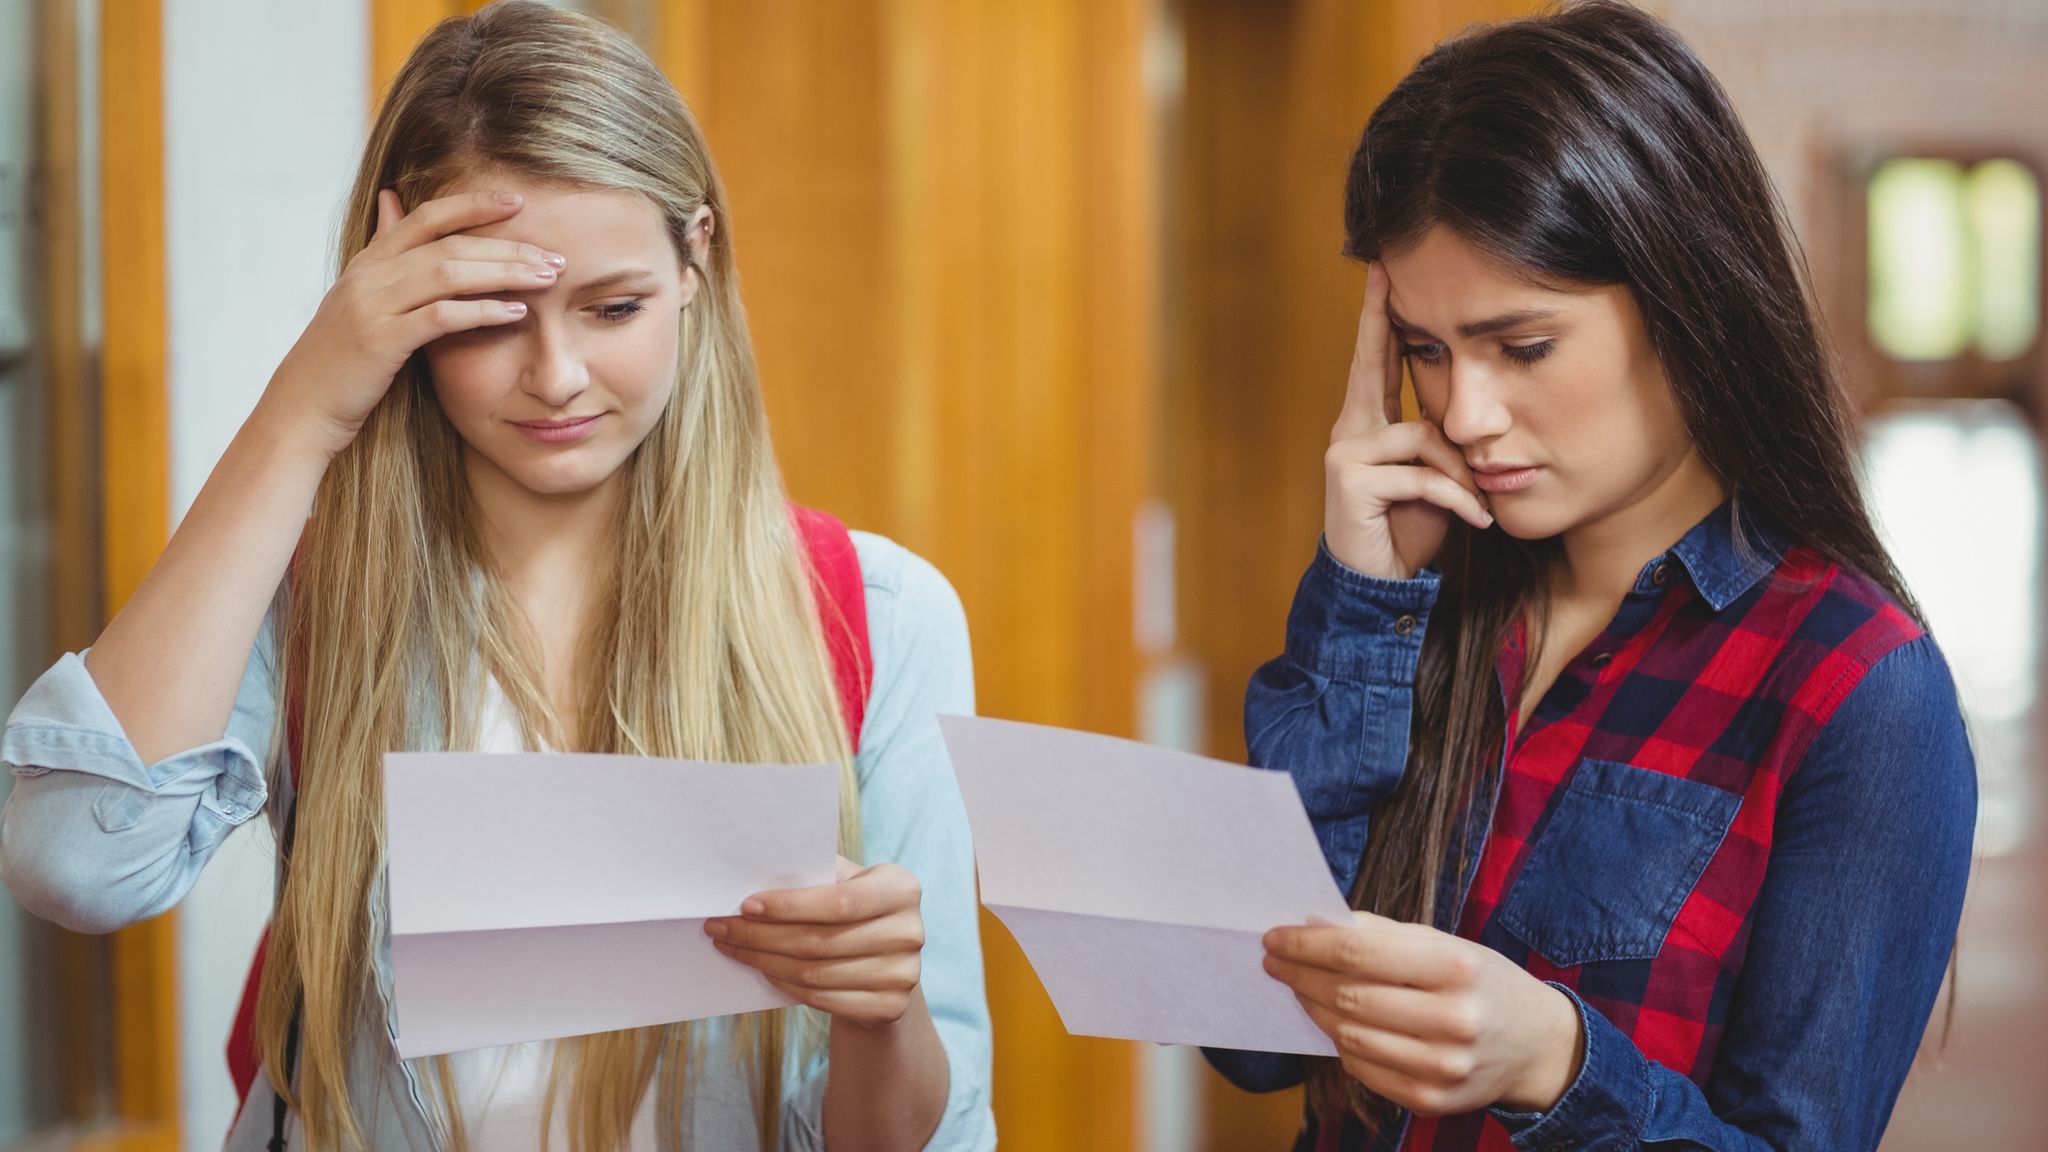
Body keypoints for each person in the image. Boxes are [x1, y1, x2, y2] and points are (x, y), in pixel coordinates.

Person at [0, 4, 992, 1150]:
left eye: (612, 308)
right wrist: (308, 403)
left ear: (695, 261)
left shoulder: (874, 612)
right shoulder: (318, 596)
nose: (557, 376)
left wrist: (878, 1012)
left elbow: (928, 1136)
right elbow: (80, 862)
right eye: (490, 317)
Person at [1204, 3, 1976, 1149]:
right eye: (1423, 350)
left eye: (1521, 348)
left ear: (1683, 301)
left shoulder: (1857, 692)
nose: (1463, 415)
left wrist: (1556, 1063)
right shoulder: (1412, 599)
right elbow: (1250, 1037)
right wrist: (1358, 607)